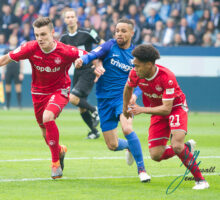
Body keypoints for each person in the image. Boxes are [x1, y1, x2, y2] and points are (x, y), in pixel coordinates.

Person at [0, 17, 87, 179]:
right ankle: (59, 150)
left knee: (48, 117)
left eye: (44, 34)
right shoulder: (30, 48)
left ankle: (55, 164)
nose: (40, 38)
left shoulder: (66, 50)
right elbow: (7, 58)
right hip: (38, 93)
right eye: (37, 35)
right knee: (44, 132)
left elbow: (90, 55)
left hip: (60, 90)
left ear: (53, 33)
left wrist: (95, 65)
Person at [123, 44, 209, 190]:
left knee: (176, 146)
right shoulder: (135, 73)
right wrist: (125, 108)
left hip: (175, 108)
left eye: (138, 66)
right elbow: (128, 88)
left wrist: (142, 109)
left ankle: (201, 181)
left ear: (149, 64)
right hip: (157, 111)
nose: (135, 69)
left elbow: (166, 109)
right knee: (156, 156)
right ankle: (186, 147)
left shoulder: (166, 77)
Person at [75, 18, 151, 182]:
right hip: (103, 101)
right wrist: (83, 60)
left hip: (122, 99)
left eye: (123, 31)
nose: (119, 34)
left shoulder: (136, 55)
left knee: (127, 128)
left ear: (132, 33)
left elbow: (142, 81)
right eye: (117, 31)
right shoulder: (109, 45)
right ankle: (130, 147)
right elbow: (93, 54)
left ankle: (142, 170)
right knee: (112, 145)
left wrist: (134, 95)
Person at [60, 8, 104, 139]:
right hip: (77, 71)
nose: (70, 19)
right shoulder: (64, 38)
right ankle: (94, 131)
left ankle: (95, 110)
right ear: (64, 20)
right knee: (80, 106)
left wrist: (100, 62)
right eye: (67, 17)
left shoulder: (88, 31)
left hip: (89, 69)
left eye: (72, 16)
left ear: (76, 18)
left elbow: (104, 44)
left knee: (72, 98)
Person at [1, 35, 24, 109]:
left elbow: (22, 61)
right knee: (7, 88)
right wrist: (3, 73)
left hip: (17, 71)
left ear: (17, 40)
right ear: (9, 40)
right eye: (12, 39)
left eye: (15, 39)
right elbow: (3, 62)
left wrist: (21, 73)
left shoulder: (19, 49)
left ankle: (20, 106)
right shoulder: (6, 50)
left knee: (18, 88)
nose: (13, 40)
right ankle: (7, 106)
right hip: (8, 71)